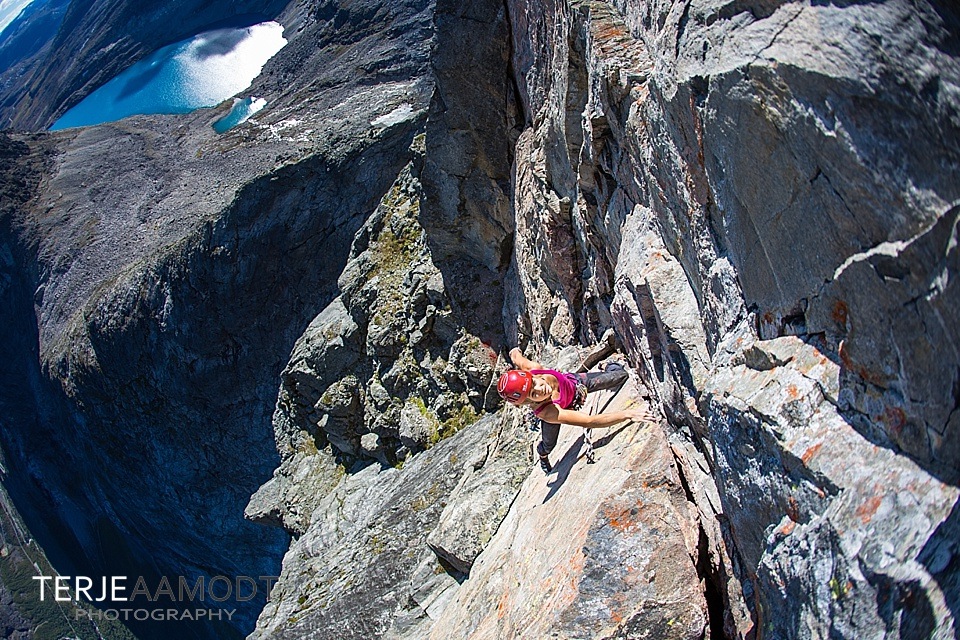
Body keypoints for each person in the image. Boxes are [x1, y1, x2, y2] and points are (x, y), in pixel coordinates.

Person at [498, 347, 655, 473]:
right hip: (562, 404)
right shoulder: (548, 412)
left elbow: (517, 358)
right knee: (549, 444)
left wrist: (514, 351)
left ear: (530, 376)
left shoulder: (534, 369)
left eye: (535, 383)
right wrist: (627, 414)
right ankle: (542, 454)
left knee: (620, 375)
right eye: (533, 394)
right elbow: (589, 421)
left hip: (574, 384)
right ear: (529, 401)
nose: (541, 389)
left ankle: (607, 365)